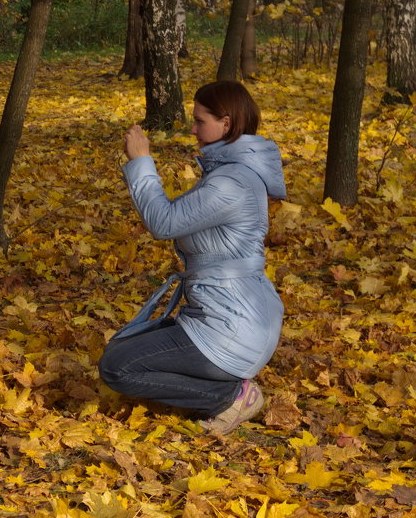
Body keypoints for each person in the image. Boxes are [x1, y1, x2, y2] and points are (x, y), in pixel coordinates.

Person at [98, 81, 286, 435]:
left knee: (116, 368)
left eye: (200, 121)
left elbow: (164, 222)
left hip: (232, 328)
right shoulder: (231, 173)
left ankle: (227, 397)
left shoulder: (233, 183)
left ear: (226, 124)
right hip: (229, 317)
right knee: (124, 346)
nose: (193, 129)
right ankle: (222, 385)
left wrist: (141, 162)